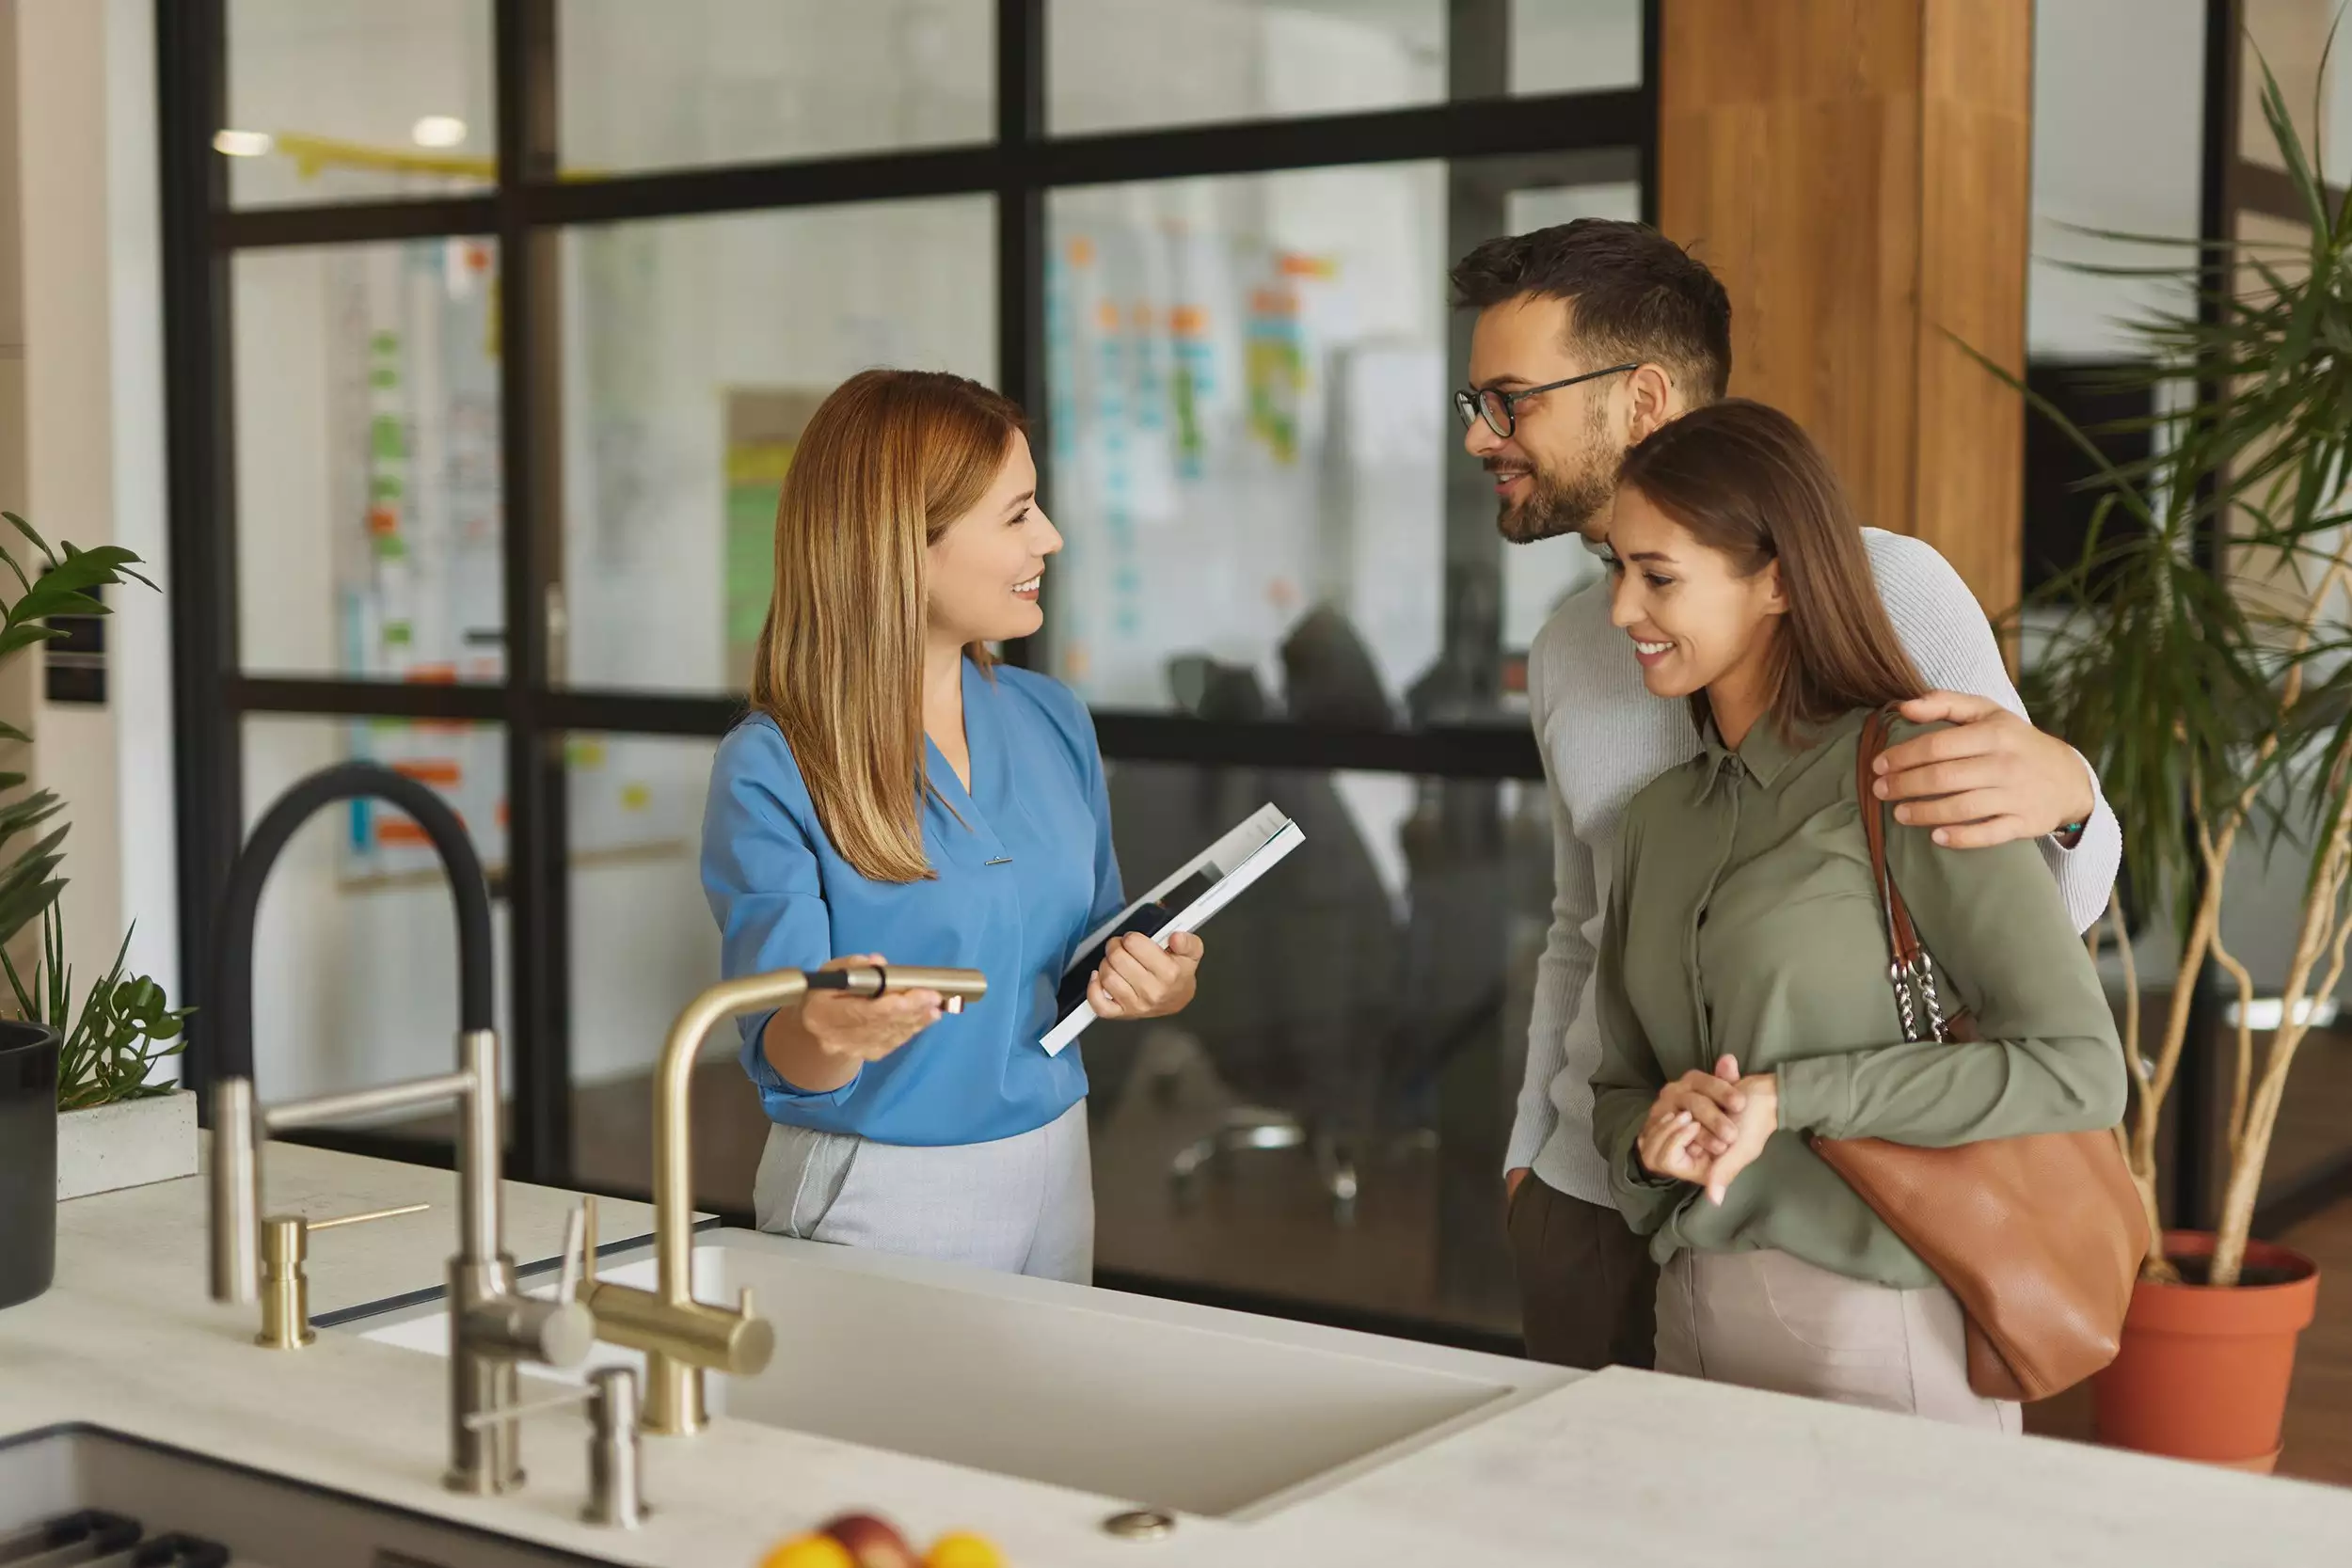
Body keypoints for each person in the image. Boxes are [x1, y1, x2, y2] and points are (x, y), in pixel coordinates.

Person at [1449, 219, 2122, 1370]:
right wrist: (1535, 1152)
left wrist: (2072, 792)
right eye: (1474, 402)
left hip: (1844, 1199)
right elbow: (1582, 921)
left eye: (1510, 399)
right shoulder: (1571, 644)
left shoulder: (1888, 587)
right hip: (1601, 1180)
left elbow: (2037, 898)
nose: (1479, 436)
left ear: (1642, 395)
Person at [1587, 398, 2128, 1427]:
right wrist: (1650, 1135)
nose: (1620, 610)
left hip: (1877, 1326)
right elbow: (1618, 1078)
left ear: (1778, 580)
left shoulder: (1906, 776)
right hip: (1685, 1312)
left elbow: (2078, 1067)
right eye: (1613, 569)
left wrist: (1790, 1098)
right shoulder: (1659, 819)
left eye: (1657, 576)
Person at [701, 369, 1204, 1283]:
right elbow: (778, 1047)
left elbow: (1093, 942)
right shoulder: (775, 764)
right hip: (880, 1184)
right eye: (1016, 515)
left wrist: (1150, 980)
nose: (1048, 537)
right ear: (904, 545)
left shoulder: (1051, 717)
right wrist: (829, 1030)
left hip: (1056, 1155)